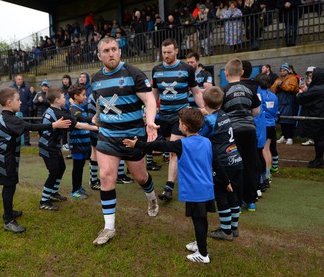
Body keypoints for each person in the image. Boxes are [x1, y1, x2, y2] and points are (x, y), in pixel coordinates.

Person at [91, 37, 160, 246]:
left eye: (114, 49)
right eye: (106, 50)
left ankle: (151, 198)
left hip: (133, 136)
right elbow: (100, 104)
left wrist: (149, 122)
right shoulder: (95, 79)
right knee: (106, 177)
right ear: (99, 55)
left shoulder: (133, 73)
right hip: (107, 136)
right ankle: (109, 227)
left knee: (140, 176)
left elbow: (149, 100)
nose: (110, 53)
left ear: (119, 52)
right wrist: (97, 117)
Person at [123, 108, 215, 263]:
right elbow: (216, 162)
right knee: (201, 219)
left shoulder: (181, 144)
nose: (178, 124)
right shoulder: (207, 141)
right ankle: (200, 243)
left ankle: (203, 254)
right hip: (206, 188)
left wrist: (137, 144)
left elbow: (160, 146)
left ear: (184, 127)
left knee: (198, 220)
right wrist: (226, 181)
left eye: (179, 122)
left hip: (195, 191)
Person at [0, 87, 71, 233]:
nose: (21, 102)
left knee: (11, 185)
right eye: (18, 99)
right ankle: (8, 220)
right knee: (9, 187)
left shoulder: (7, 117)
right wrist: (54, 125)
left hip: (6, 157)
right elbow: (31, 127)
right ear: (9, 103)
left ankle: (9, 212)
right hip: (5, 159)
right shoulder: (10, 119)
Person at [152, 38, 203, 202]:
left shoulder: (187, 69)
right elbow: (154, 95)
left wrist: (203, 109)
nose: (166, 55)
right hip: (164, 117)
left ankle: (168, 188)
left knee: (174, 152)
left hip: (180, 116)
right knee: (172, 151)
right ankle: (188, 174)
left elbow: (195, 92)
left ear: (176, 51)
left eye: (169, 52)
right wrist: (151, 113)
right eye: (164, 52)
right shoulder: (156, 70)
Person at [38, 88, 98, 210]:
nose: (65, 99)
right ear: (57, 100)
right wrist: (98, 128)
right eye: (63, 97)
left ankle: (53, 193)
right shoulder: (59, 114)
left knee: (61, 168)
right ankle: (44, 200)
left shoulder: (51, 110)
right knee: (54, 172)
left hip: (53, 146)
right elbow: (79, 125)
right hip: (49, 147)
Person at [198, 87, 243, 241]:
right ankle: (234, 228)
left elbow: (200, 134)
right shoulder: (224, 114)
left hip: (223, 164)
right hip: (236, 159)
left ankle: (225, 231)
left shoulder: (209, 121)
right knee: (233, 194)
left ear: (204, 102)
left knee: (221, 195)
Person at [222, 58, 261, 212]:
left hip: (233, 132)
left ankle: (236, 201)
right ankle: (251, 200)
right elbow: (256, 112)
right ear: (242, 72)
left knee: (235, 164)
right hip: (250, 131)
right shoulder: (250, 89)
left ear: (226, 73)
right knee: (250, 164)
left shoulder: (223, 91)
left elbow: (220, 112)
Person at [68, 84, 94, 198]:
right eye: (83, 95)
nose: (86, 97)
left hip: (83, 144)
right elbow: (82, 120)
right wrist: (94, 120)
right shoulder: (74, 109)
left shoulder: (80, 108)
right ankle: (74, 190)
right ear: (76, 96)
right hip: (77, 144)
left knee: (81, 165)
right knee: (77, 167)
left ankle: (79, 187)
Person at [296, 67, 324, 168]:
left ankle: (319, 160)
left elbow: (301, 99)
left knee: (319, 139)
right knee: (318, 139)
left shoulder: (317, 89)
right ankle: (318, 159)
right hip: (319, 115)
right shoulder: (319, 87)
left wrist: (300, 92)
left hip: (318, 117)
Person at [254, 73, 279, 178]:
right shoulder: (273, 95)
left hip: (261, 125)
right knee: (267, 149)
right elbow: (275, 112)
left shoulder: (257, 94)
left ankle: (264, 176)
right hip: (271, 125)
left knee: (262, 150)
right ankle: (268, 174)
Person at [270, 63, 299, 146]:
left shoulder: (293, 78)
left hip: (289, 101)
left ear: (287, 71)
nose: (282, 72)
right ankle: (283, 136)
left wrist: (281, 85)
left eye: (284, 70)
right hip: (280, 101)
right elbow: (272, 89)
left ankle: (290, 137)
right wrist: (277, 86)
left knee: (289, 119)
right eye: (281, 71)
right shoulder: (278, 79)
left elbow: (291, 88)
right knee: (282, 119)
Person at [10, 75, 32, 146]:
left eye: (21, 79)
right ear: (15, 80)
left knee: (26, 127)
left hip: (24, 111)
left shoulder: (26, 89)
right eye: (19, 79)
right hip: (14, 112)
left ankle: (26, 141)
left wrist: (27, 105)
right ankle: (16, 141)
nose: (20, 80)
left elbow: (31, 98)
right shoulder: (11, 89)